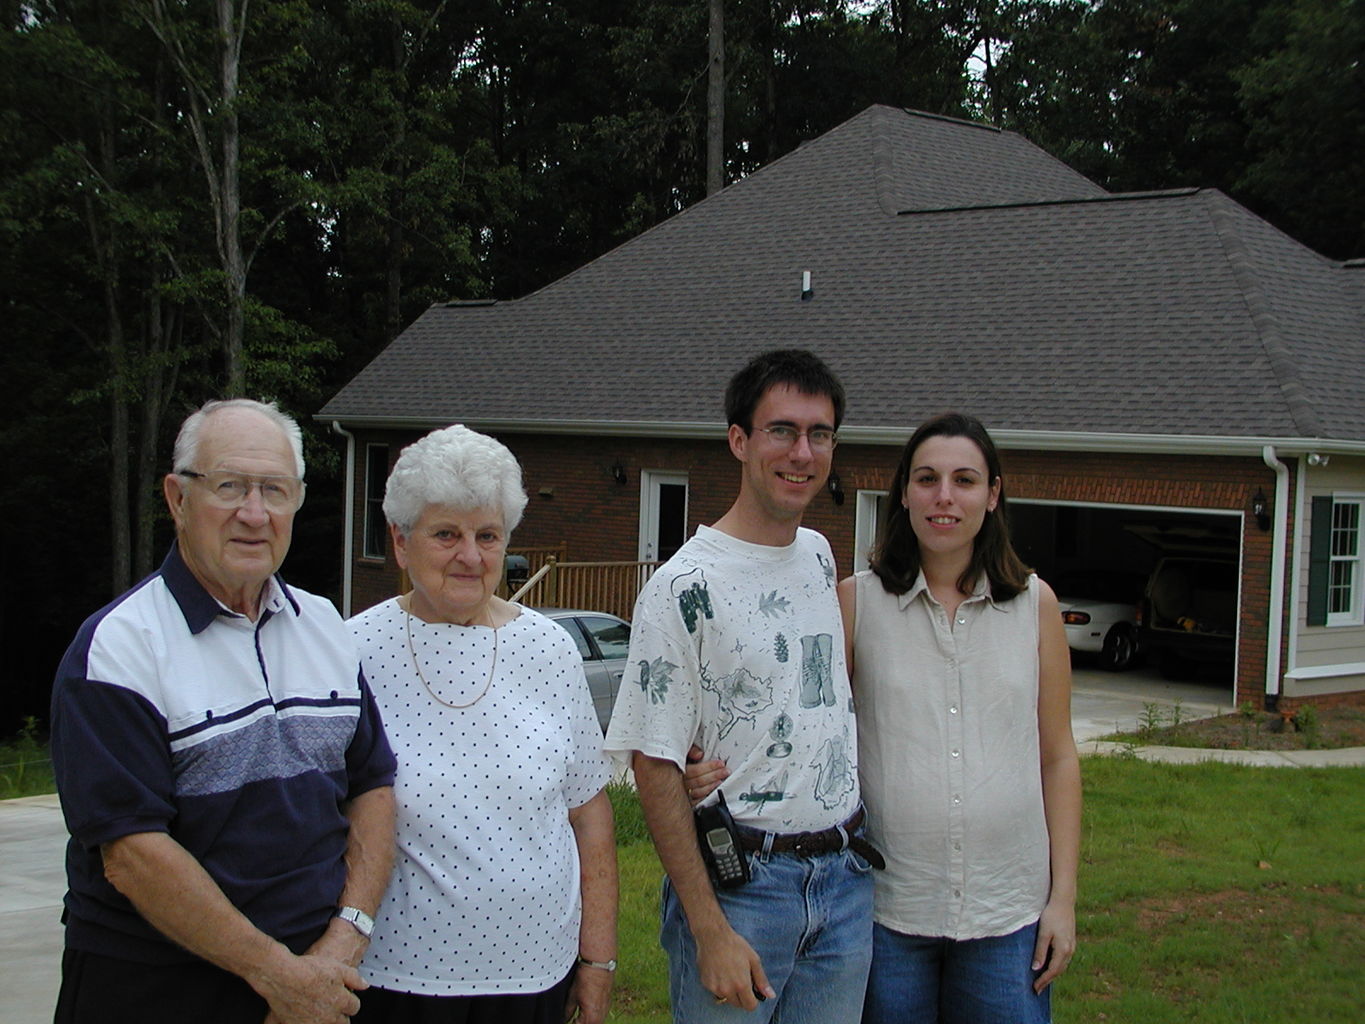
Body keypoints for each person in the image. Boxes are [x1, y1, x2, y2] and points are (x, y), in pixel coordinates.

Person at [50, 398, 397, 1024]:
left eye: (275, 490)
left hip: (316, 977)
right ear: (177, 499)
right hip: (156, 987)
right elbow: (132, 852)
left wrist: (345, 938)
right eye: (230, 486)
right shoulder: (119, 648)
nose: (254, 514)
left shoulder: (323, 625)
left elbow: (371, 784)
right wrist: (279, 977)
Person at [605, 349, 877, 1023]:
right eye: (781, 430)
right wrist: (708, 929)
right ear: (738, 440)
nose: (801, 452)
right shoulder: (681, 587)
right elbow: (652, 762)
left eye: (819, 434)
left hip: (844, 881)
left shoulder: (817, 553)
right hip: (742, 889)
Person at [347, 424, 617, 1024]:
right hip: (397, 979)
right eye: (446, 534)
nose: (471, 556)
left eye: (487, 536)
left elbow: (590, 814)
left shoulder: (549, 649)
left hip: (537, 976)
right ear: (400, 540)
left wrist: (598, 962)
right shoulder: (353, 651)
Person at [840, 412, 1081, 1024]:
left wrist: (1063, 900)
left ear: (993, 494)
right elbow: (807, 733)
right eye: (926, 479)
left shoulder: (1036, 606)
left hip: (1009, 913)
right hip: (889, 909)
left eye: (965, 480)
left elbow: (1057, 756)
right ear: (903, 492)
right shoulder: (856, 602)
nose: (944, 497)